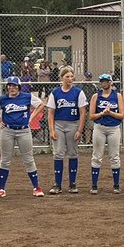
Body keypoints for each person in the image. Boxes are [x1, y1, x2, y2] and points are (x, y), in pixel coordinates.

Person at [0, 76, 45, 199]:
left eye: (14, 85)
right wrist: (0, 120)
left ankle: (36, 187)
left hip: (24, 131)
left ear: (19, 87)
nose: (11, 88)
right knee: (5, 160)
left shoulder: (27, 96)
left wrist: (31, 117)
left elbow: (41, 105)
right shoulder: (3, 99)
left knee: (29, 159)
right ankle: (1, 189)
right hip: (7, 131)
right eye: (9, 85)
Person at [47, 65, 87, 195]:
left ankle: (72, 183)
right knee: (58, 153)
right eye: (67, 76)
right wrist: (51, 130)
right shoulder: (55, 93)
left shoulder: (78, 92)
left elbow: (82, 113)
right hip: (59, 124)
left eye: (71, 76)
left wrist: (79, 130)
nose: (70, 79)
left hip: (73, 124)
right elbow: (51, 113)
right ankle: (57, 184)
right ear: (62, 78)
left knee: (72, 153)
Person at [88, 74, 124, 194]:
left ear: (110, 82)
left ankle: (116, 184)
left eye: (106, 81)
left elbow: (121, 115)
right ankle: (94, 185)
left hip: (114, 128)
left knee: (114, 156)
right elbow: (92, 116)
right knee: (97, 156)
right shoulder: (96, 96)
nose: (104, 83)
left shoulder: (117, 96)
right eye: (102, 81)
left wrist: (111, 113)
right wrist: (103, 113)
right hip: (100, 127)